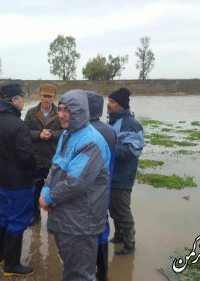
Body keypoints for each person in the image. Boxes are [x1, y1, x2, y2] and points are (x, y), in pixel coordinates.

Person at [40, 89, 111, 281]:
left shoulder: (91, 142)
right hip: (66, 218)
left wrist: (48, 197)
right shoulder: (67, 135)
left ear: (79, 111)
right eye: (60, 109)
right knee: (71, 269)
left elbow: (76, 183)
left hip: (81, 223)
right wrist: (45, 189)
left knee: (79, 275)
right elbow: (55, 167)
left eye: (67, 110)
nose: (61, 114)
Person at [0, 81, 37, 277]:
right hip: (20, 183)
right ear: (14, 100)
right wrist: (35, 171)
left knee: (4, 217)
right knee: (17, 221)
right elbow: (26, 156)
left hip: (5, 180)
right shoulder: (18, 125)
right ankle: (12, 265)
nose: (23, 101)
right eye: (22, 97)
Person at [107, 87, 144, 255]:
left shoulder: (132, 124)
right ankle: (118, 236)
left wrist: (109, 147)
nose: (108, 104)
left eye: (112, 102)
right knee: (114, 208)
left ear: (121, 105)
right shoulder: (113, 120)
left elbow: (132, 151)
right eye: (108, 100)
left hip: (123, 177)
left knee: (122, 210)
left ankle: (130, 244)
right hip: (112, 175)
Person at [87, 91, 116, 281]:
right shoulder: (110, 130)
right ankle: (103, 274)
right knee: (102, 228)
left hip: (88, 191)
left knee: (85, 231)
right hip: (105, 189)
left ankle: (87, 272)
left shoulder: (84, 131)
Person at [24, 83, 62, 226]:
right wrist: (39, 134)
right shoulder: (31, 113)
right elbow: (25, 131)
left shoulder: (60, 113)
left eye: (49, 96)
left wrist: (51, 134)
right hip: (36, 160)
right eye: (44, 96)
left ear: (54, 97)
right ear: (39, 96)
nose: (46, 99)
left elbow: (66, 131)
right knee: (35, 190)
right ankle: (35, 215)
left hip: (54, 159)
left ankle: (54, 219)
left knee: (55, 191)